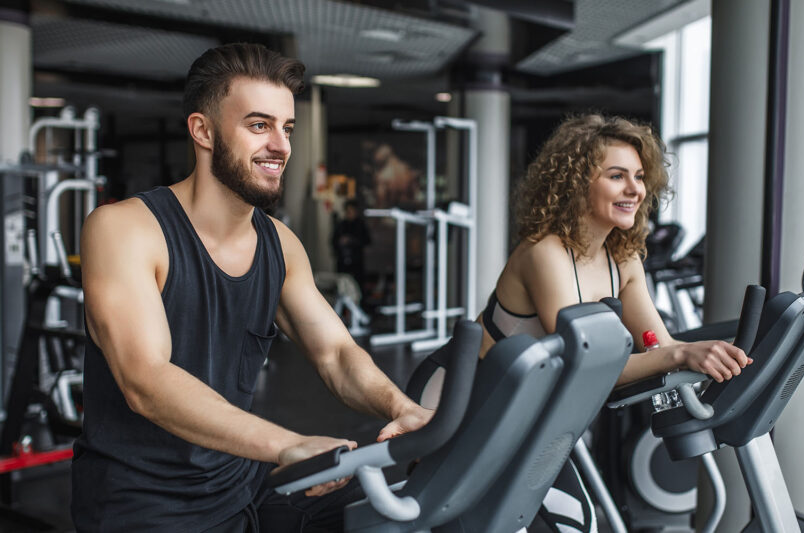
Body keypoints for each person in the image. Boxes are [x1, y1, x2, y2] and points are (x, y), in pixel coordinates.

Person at [71, 43, 431, 532]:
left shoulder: (280, 245)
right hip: (142, 507)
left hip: (239, 483)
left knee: (410, 515)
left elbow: (335, 353)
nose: (281, 145)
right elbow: (146, 380)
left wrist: (401, 407)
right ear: (203, 130)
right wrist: (286, 444)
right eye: (259, 125)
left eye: (287, 128)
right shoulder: (126, 229)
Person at [476, 114, 751, 531]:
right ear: (577, 183)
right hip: (473, 404)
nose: (634, 189)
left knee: (574, 522)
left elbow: (655, 344)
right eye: (617, 176)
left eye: (639, 176)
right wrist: (678, 354)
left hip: (532, 415)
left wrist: (691, 356)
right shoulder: (544, 253)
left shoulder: (623, 258)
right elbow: (582, 364)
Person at [332, 199, 371, 289]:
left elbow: (367, 240)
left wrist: (351, 241)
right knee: (342, 286)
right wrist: (340, 243)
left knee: (358, 287)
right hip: (342, 261)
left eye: (351, 211)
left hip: (357, 262)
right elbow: (333, 241)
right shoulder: (341, 225)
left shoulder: (361, 225)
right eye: (347, 211)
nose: (349, 213)